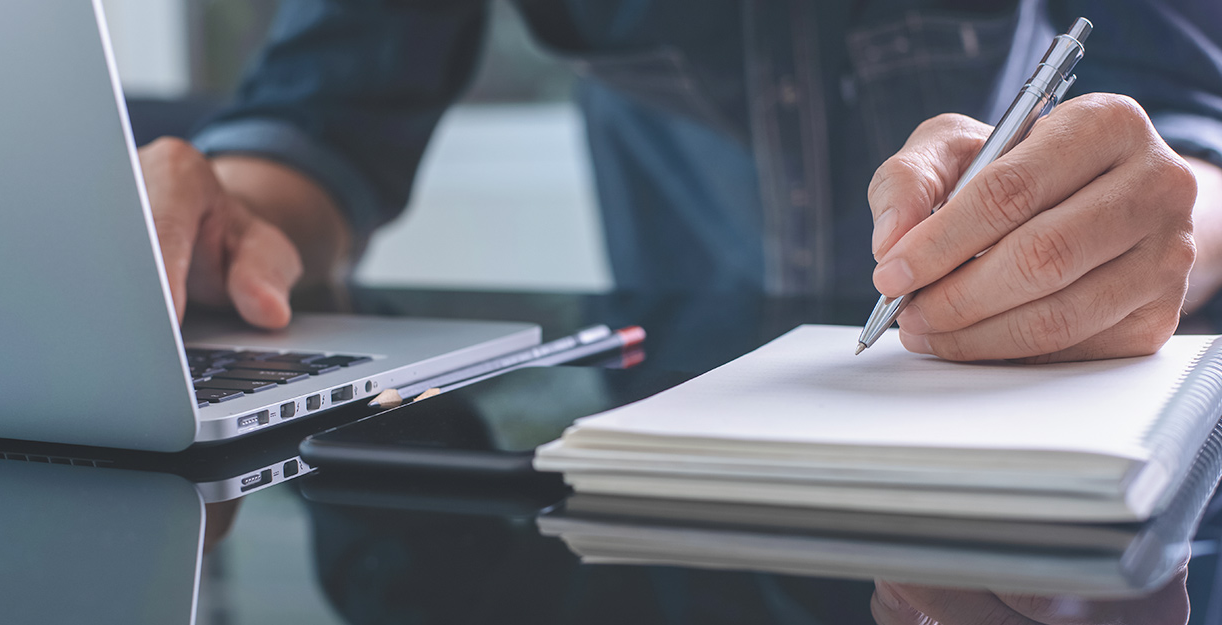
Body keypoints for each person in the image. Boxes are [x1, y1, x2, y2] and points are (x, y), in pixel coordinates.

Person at [140, 0, 1222, 365]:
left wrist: (1149, 217)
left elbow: (1189, 138)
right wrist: (228, 218)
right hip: (661, 526)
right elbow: (321, 120)